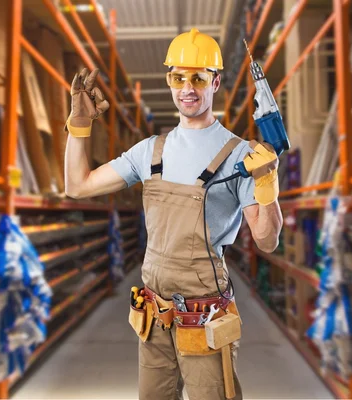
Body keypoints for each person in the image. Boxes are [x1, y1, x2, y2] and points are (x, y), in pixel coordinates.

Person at [64, 28, 283, 400]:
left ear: (214, 83)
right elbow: (77, 185)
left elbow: (267, 240)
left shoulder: (240, 154)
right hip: (154, 321)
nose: (188, 88)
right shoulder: (150, 151)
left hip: (205, 320)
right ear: (169, 81)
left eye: (198, 77)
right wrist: (79, 125)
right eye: (178, 77)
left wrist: (267, 188)